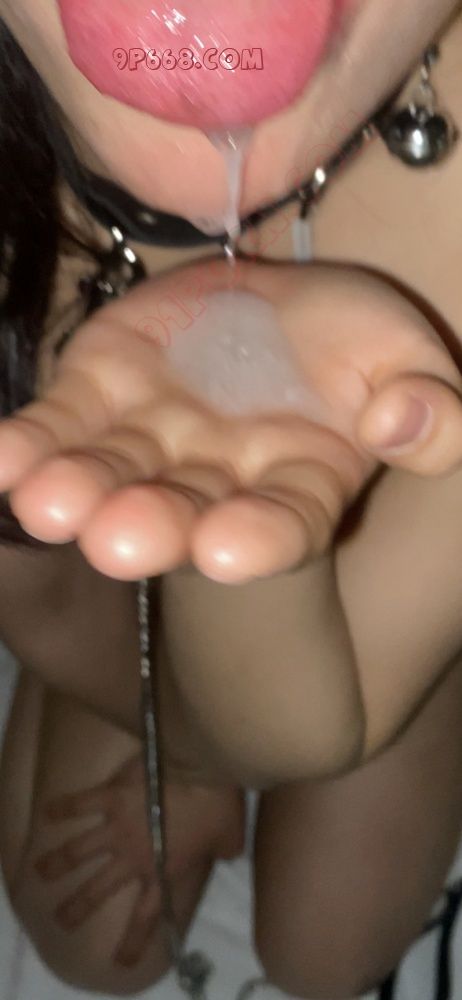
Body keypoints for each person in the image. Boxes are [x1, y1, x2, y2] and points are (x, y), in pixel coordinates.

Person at [1, 1, 462, 996]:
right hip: (119, 591)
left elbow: (304, 727)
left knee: (325, 950)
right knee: (89, 935)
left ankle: (435, 664)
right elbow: (34, 603)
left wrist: (202, 743)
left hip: (395, 590)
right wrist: (180, 729)